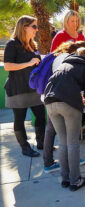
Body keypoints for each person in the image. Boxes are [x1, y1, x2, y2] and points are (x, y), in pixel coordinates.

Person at [44, 48, 85, 191]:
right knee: (73, 143)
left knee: (63, 142)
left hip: (50, 103)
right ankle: (75, 180)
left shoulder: (65, 64)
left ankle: (65, 178)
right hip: (68, 104)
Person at [43, 41, 85, 174]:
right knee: (70, 140)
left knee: (60, 139)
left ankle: (63, 175)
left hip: (49, 98)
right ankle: (73, 177)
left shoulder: (58, 56)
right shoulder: (67, 59)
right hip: (64, 100)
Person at [4, 15, 45, 157]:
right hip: (18, 89)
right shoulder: (12, 44)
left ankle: (41, 143)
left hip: (33, 88)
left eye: (37, 26)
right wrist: (28, 63)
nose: (37, 29)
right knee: (19, 119)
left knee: (40, 116)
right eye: (34, 26)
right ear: (24, 27)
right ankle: (25, 147)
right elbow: (7, 66)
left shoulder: (33, 45)